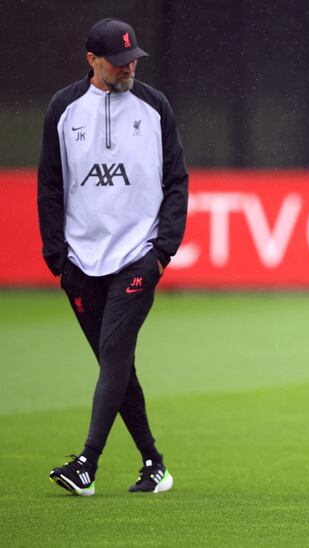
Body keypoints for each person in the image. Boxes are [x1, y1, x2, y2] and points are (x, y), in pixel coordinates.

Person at [38, 18, 188, 496]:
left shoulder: (154, 105)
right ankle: (154, 464)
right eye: (119, 62)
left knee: (115, 355)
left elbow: (177, 182)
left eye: (133, 60)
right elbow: (49, 185)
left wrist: (161, 251)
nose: (129, 68)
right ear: (92, 61)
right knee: (115, 366)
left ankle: (87, 463)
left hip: (136, 258)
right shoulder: (63, 109)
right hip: (79, 263)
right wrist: (57, 258)